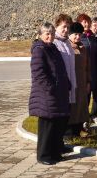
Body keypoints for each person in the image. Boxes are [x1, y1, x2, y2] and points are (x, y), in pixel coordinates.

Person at [29, 23, 70, 166]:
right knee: (47, 126)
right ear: (40, 35)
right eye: (47, 33)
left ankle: (54, 153)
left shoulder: (53, 48)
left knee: (56, 125)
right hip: (46, 94)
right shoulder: (39, 50)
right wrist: (51, 89)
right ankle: (43, 155)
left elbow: (60, 70)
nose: (50, 36)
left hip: (57, 93)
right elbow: (39, 74)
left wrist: (66, 84)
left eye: (52, 33)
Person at [67, 22, 91, 136]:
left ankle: (79, 127)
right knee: (73, 106)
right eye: (75, 34)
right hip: (72, 83)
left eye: (80, 34)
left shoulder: (83, 48)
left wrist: (88, 82)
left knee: (81, 105)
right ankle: (71, 129)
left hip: (82, 82)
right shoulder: (67, 47)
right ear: (69, 34)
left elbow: (87, 67)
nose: (77, 37)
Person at [83, 16, 97, 124]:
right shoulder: (84, 37)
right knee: (86, 95)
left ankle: (95, 114)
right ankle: (84, 117)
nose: (96, 27)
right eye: (94, 25)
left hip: (96, 71)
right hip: (85, 71)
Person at [53, 14, 76, 109]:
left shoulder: (67, 43)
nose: (66, 30)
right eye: (64, 27)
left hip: (69, 86)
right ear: (56, 27)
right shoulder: (53, 43)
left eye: (68, 27)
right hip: (59, 87)